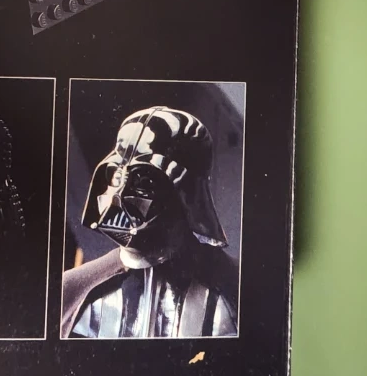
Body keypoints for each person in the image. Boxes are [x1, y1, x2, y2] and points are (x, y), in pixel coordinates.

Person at [62, 107, 237, 339]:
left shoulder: (236, 289)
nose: (119, 197)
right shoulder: (73, 289)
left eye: (143, 182)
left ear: (186, 193)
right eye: (116, 177)